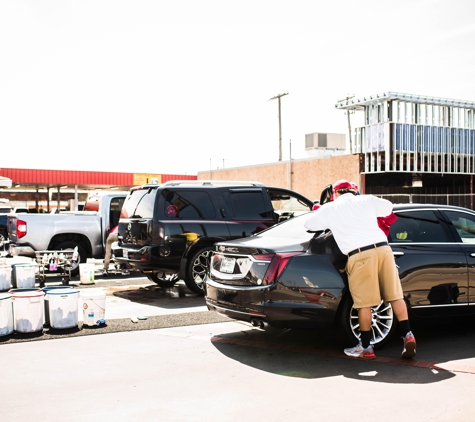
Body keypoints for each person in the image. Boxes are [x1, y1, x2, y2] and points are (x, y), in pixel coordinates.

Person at [304, 179, 416, 360]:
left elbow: (308, 224)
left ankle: (366, 347)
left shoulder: (331, 208)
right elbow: (388, 207)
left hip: (360, 254)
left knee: (364, 303)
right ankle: (408, 335)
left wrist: (319, 210)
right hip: (384, 250)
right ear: (354, 191)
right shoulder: (367, 200)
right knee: (395, 296)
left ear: (334, 193)